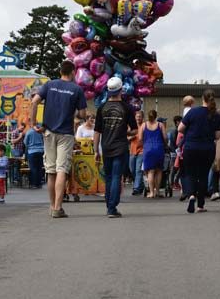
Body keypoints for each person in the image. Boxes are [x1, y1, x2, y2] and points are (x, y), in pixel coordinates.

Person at [31, 60, 87, 218]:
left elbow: (34, 101)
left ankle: (51, 205)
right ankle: (58, 207)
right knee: (62, 169)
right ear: (73, 72)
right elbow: (83, 114)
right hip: (66, 133)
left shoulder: (49, 85)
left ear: (61, 71)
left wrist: (33, 123)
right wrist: (74, 114)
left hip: (48, 132)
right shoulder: (76, 89)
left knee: (51, 171)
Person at [94, 77, 138, 218]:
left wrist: (96, 150)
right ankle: (112, 208)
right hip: (120, 146)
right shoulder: (127, 108)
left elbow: (97, 131)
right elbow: (135, 130)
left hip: (106, 146)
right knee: (116, 176)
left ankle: (109, 205)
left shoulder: (102, 108)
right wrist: (125, 132)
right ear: (121, 90)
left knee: (108, 177)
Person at [178, 90, 220, 213]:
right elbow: (218, 136)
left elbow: (180, 128)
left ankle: (191, 195)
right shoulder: (216, 115)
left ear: (202, 98)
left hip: (191, 147)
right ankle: (200, 205)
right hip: (207, 149)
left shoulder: (193, 112)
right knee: (203, 175)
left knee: (190, 173)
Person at [139, 109, 167, 198]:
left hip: (148, 149)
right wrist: (165, 144)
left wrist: (144, 144)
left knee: (150, 171)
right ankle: (157, 191)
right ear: (156, 116)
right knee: (159, 170)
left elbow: (140, 138)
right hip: (159, 148)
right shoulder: (160, 125)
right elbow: (165, 137)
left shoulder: (144, 125)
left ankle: (151, 192)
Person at [128, 110, 145, 195]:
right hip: (132, 150)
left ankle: (136, 188)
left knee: (138, 170)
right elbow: (126, 137)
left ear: (142, 118)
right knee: (132, 170)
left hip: (142, 151)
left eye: (140, 116)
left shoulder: (145, 126)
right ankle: (141, 185)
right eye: (137, 116)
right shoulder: (131, 126)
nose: (138, 118)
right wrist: (131, 137)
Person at [24, 123, 45, 189]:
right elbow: (43, 140)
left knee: (33, 168)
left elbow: (25, 142)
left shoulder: (29, 132)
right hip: (41, 151)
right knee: (39, 167)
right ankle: (39, 183)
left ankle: (34, 184)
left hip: (32, 152)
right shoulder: (40, 132)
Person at [168, 115, 182, 191]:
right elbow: (173, 143)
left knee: (179, 168)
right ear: (177, 122)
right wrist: (176, 152)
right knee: (174, 169)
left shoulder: (178, 130)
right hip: (175, 152)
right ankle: (172, 183)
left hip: (177, 152)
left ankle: (175, 182)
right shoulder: (175, 131)